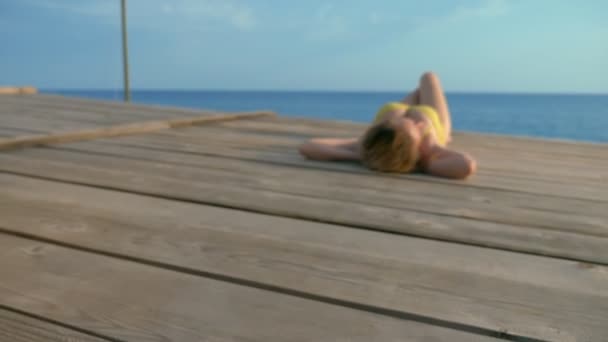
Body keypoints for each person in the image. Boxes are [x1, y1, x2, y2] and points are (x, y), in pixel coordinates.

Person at [298, 72, 476, 179]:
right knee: (429, 77)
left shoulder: (369, 144)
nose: (417, 122)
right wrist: (432, 154)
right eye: (416, 126)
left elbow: (308, 146)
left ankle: (410, 104)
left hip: (393, 113)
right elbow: (466, 166)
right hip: (434, 120)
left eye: (410, 123)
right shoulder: (426, 153)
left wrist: (361, 155)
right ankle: (446, 134)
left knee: (417, 91)